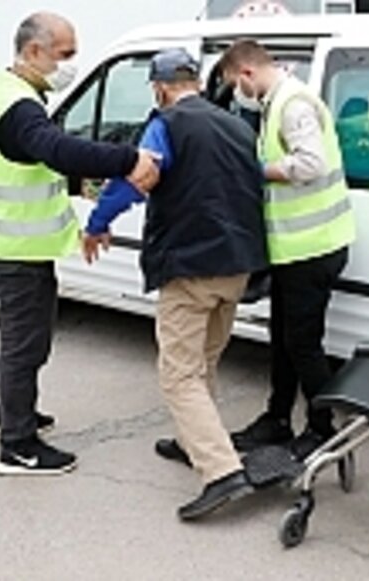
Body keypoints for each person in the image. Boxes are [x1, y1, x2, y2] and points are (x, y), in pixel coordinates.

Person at [82, 48, 268, 521]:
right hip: (239, 263)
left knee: (179, 374)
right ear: (198, 83)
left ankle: (221, 471)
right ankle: (194, 443)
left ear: (160, 88)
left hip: (191, 267)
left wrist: (97, 223)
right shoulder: (238, 126)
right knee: (204, 360)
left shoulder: (166, 124)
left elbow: (137, 179)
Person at [0, 12, 160, 476]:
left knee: (28, 342)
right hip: (16, 253)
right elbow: (57, 150)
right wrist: (129, 158)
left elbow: (42, 167)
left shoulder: (13, 92)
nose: (71, 64)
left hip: (19, 247)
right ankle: (18, 446)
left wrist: (89, 188)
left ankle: (12, 414)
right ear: (33, 51)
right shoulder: (20, 107)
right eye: (66, 54)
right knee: (25, 346)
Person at [218, 40, 356, 461]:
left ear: (247, 73)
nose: (237, 94)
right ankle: (277, 419)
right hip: (294, 249)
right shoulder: (276, 102)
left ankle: (323, 429)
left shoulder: (293, 104)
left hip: (314, 248)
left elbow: (310, 164)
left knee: (303, 344)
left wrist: (256, 171)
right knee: (283, 339)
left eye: (234, 84)